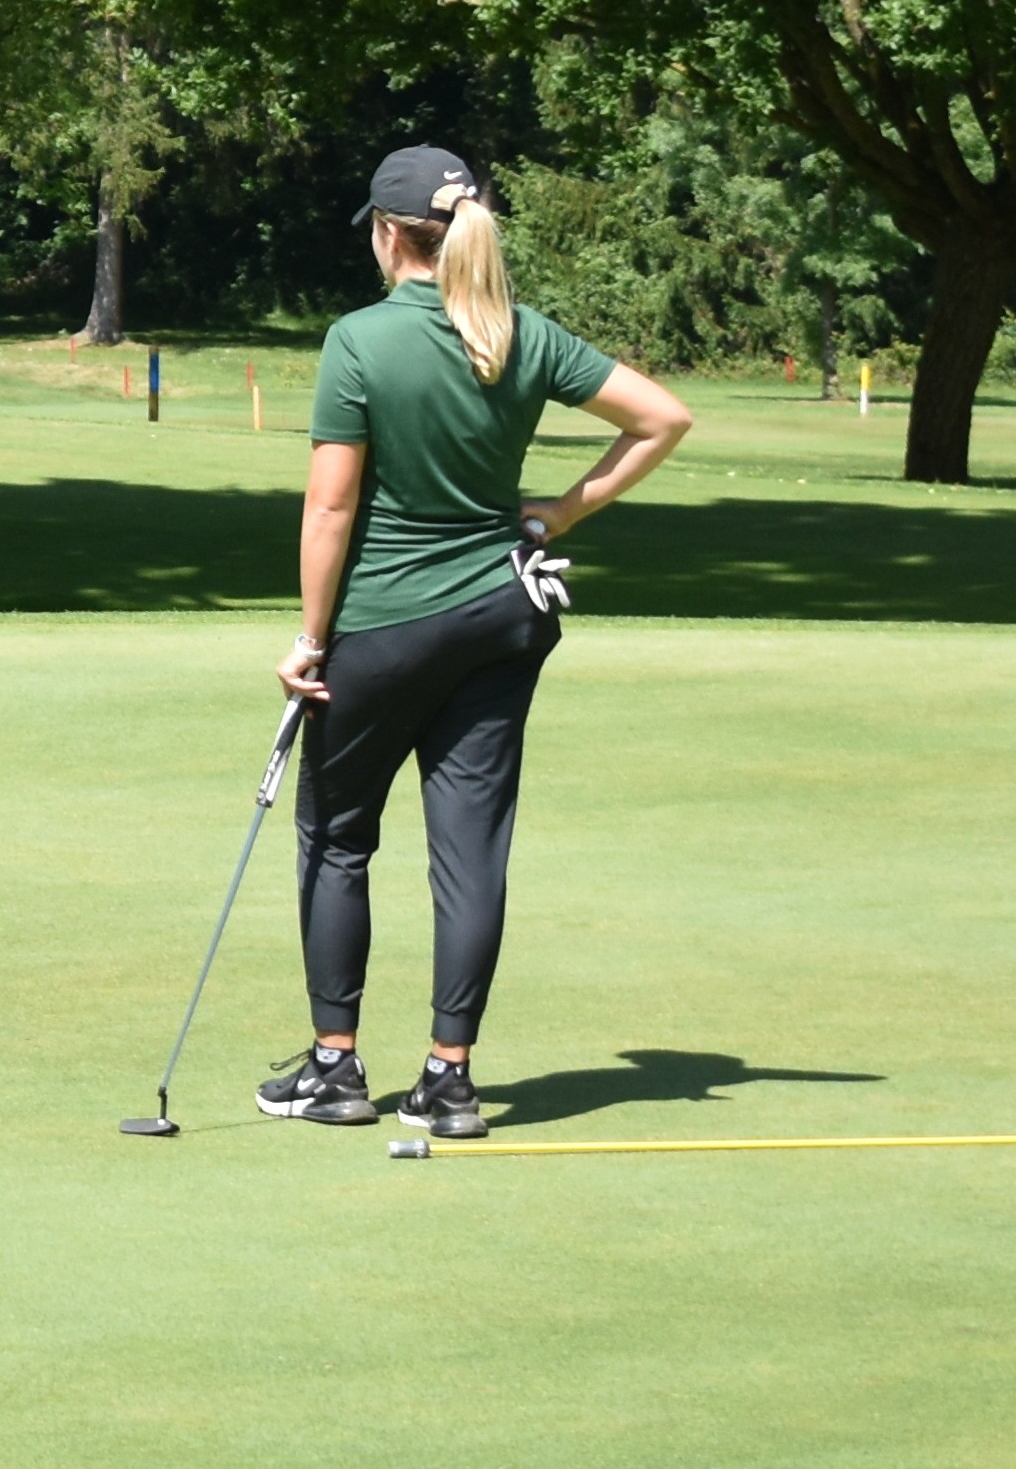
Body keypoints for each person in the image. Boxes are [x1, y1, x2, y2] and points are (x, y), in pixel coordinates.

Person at [263, 145, 695, 1138]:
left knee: (336, 837)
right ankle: (449, 1079)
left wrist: (307, 638)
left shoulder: (360, 340)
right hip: (501, 620)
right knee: (470, 849)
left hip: (381, 623)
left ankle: (334, 1068)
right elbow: (661, 418)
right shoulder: (520, 332)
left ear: (385, 233)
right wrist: (558, 513)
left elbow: (329, 510)